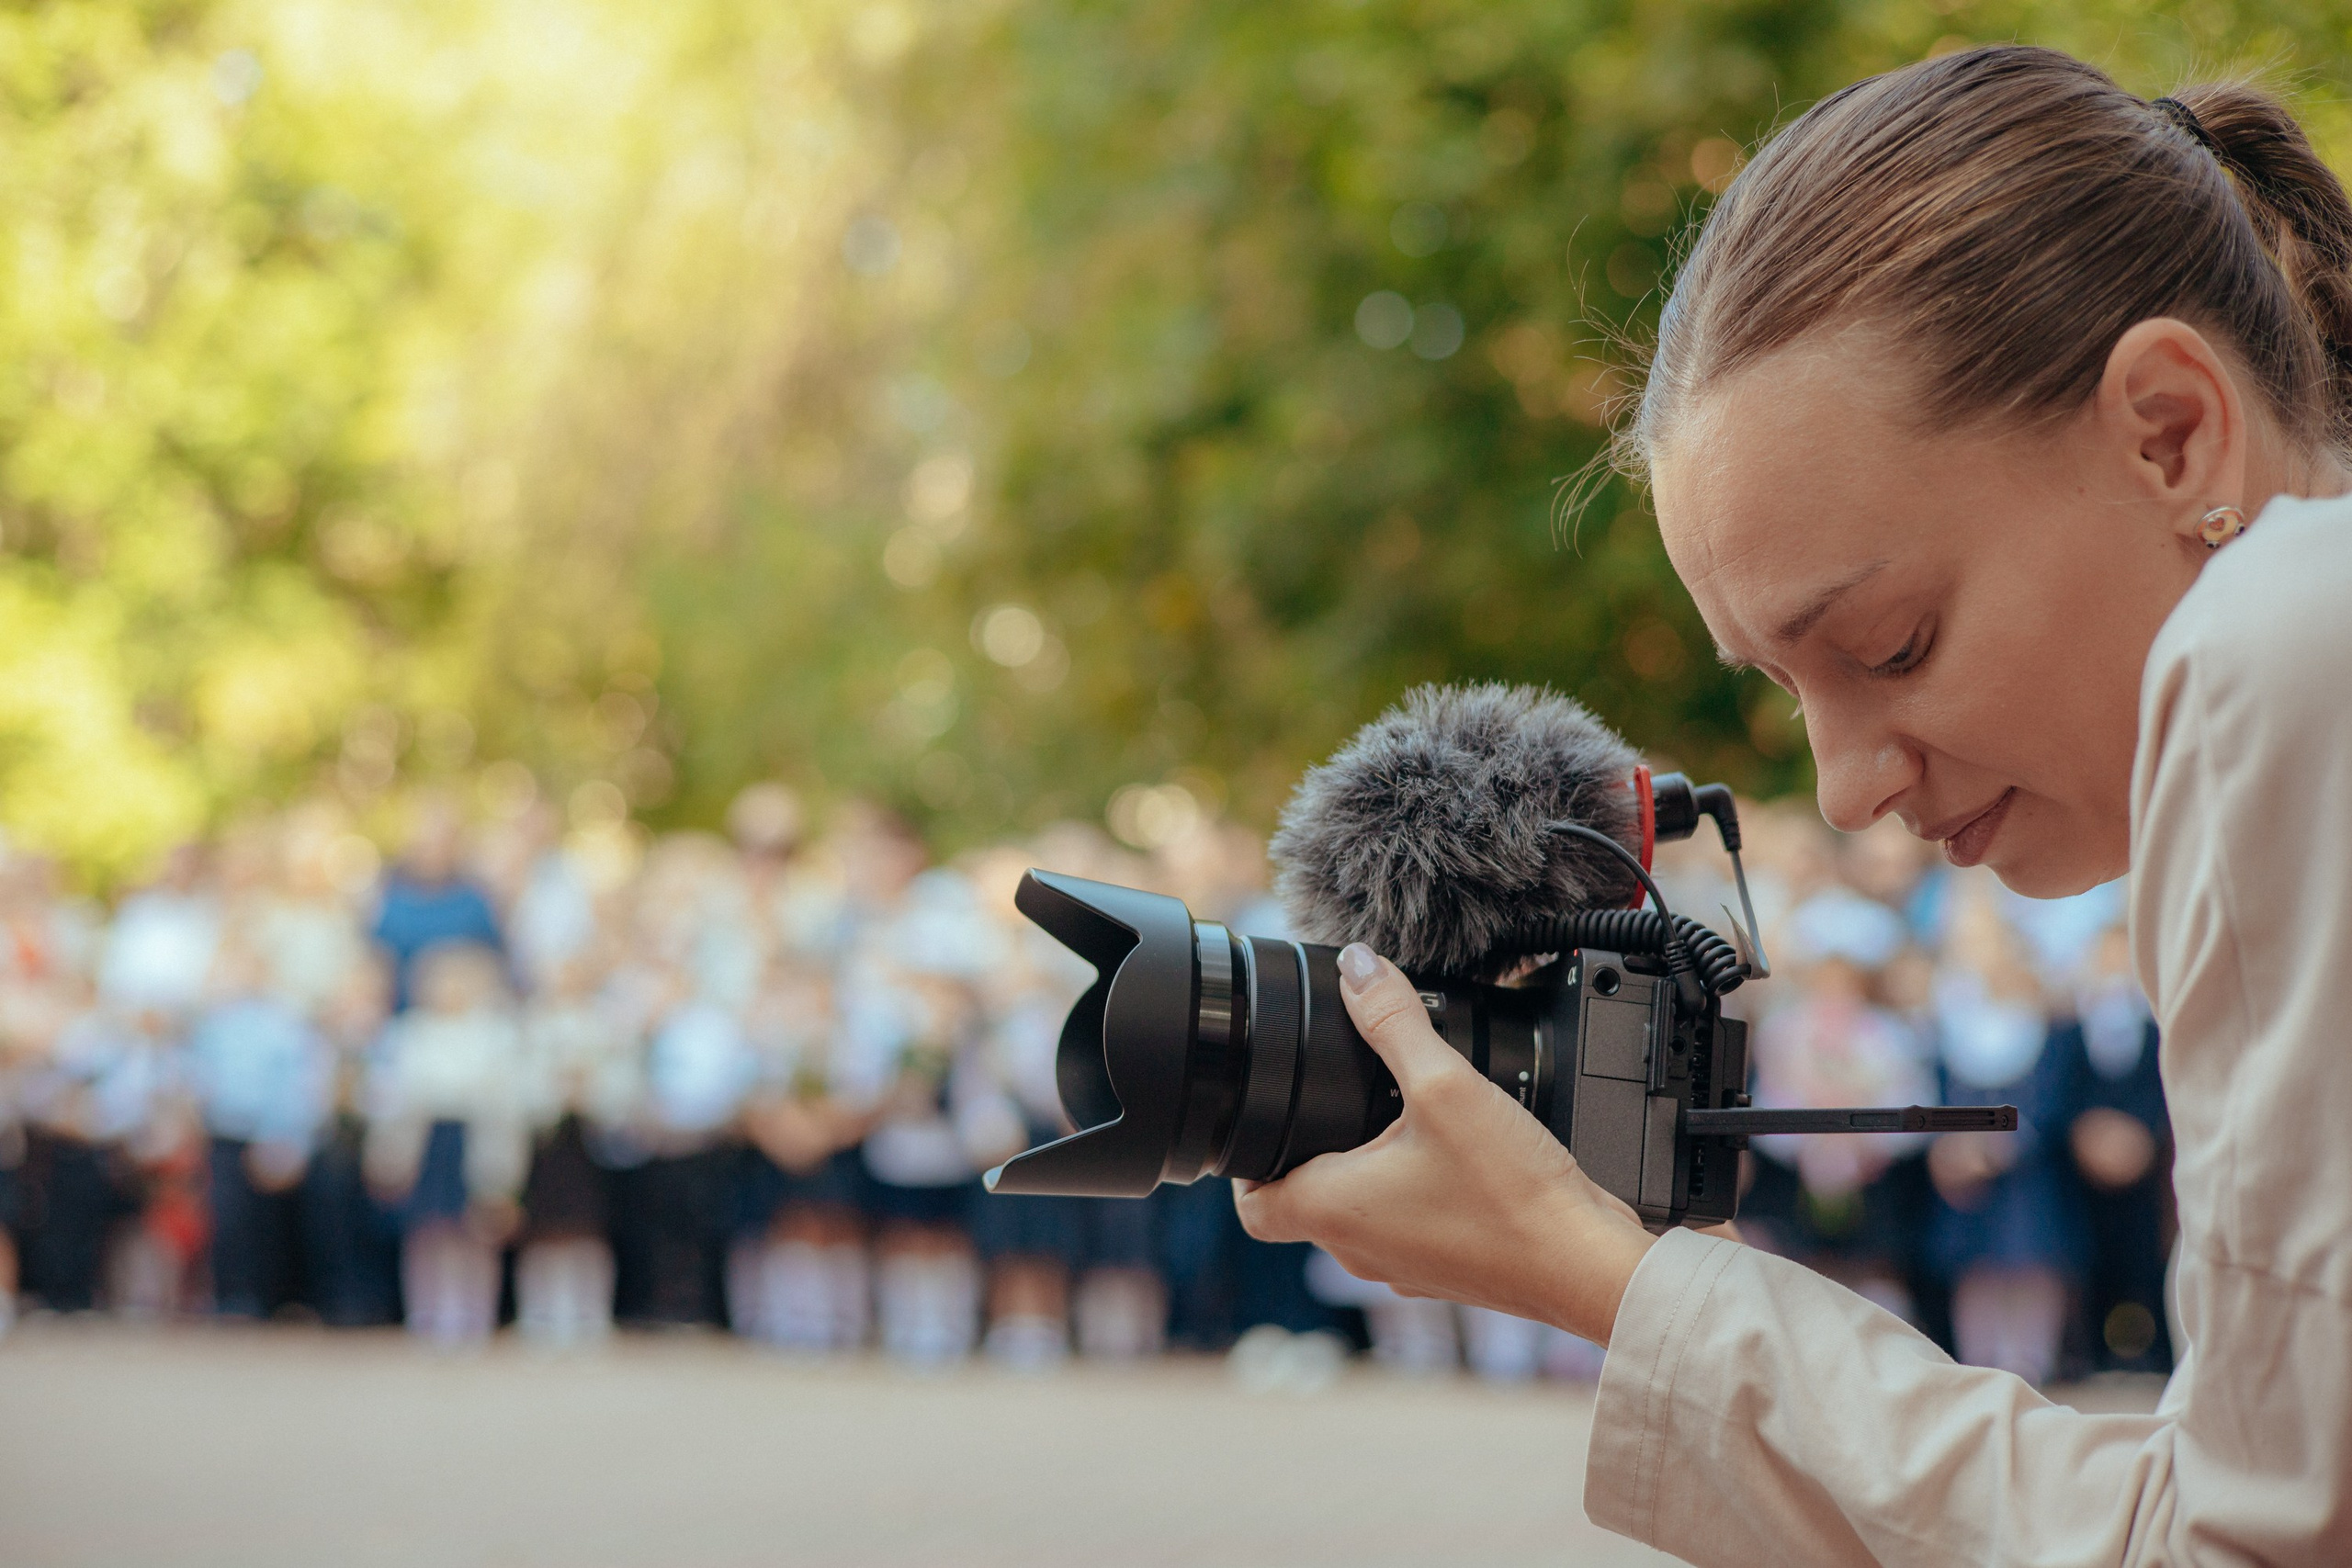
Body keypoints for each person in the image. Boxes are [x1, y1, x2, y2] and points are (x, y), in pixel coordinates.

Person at [1235, 45, 2352, 1563]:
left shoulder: (2280, 642)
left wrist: (1612, 1286)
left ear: (2171, 430)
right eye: (1786, 686)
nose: (1847, 783)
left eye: (1893, 646)